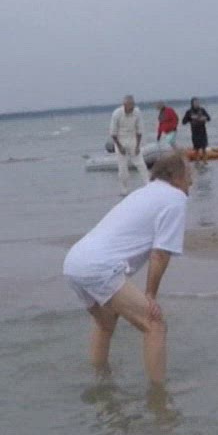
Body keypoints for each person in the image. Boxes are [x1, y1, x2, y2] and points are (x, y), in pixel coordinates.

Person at [62, 152, 191, 386]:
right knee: (155, 324)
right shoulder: (175, 198)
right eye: (189, 175)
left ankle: (101, 385)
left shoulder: (144, 192)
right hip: (99, 267)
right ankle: (159, 396)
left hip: (74, 262)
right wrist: (150, 295)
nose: (191, 182)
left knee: (105, 323)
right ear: (176, 176)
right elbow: (160, 254)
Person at [109, 95, 147, 194]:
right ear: (124, 104)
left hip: (132, 138)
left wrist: (138, 146)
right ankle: (124, 189)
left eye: (133, 104)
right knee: (122, 167)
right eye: (130, 104)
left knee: (140, 163)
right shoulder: (117, 113)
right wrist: (119, 147)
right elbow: (113, 133)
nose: (132, 106)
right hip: (120, 139)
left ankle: (148, 184)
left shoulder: (137, 112)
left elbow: (139, 130)